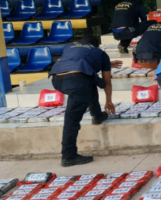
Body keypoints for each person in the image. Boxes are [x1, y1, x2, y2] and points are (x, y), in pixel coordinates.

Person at [49, 35, 121, 167]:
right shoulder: (101, 53)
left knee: (89, 80)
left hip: (57, 79)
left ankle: (97, 115)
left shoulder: (69, 46)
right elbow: (107, 81)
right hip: (77, 81)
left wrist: (107, 64)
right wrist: (108, 101)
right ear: (96, 45)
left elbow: (77, 61)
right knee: (72, 119)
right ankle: (69, 156)